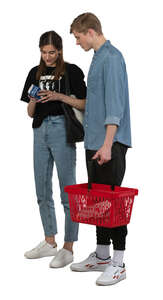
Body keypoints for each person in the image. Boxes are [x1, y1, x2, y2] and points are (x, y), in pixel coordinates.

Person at [69, 13, 132, 285]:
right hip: (93, 142)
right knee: (98, 204)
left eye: (78, 37)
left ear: (91, 31)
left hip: (109, 144)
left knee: (113, 203)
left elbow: (115, 107)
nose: (77, 42)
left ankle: (118, 263)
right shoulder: (96, 58)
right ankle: (102, 255)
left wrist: (108, 145)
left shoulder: (112, 58)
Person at [21, 30, 86, 268]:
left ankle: (68, 247)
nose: (47, 57)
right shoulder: (33, 73)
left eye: (51, 52)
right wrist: (34, 100)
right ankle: (50, 242)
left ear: (59, 50)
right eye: (43, 52)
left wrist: (59, 96)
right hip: (39, 130)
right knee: (42, 189)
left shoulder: (72, 71)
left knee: (68, 191)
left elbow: (84, 103)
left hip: (62, 129)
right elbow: (29, 113)